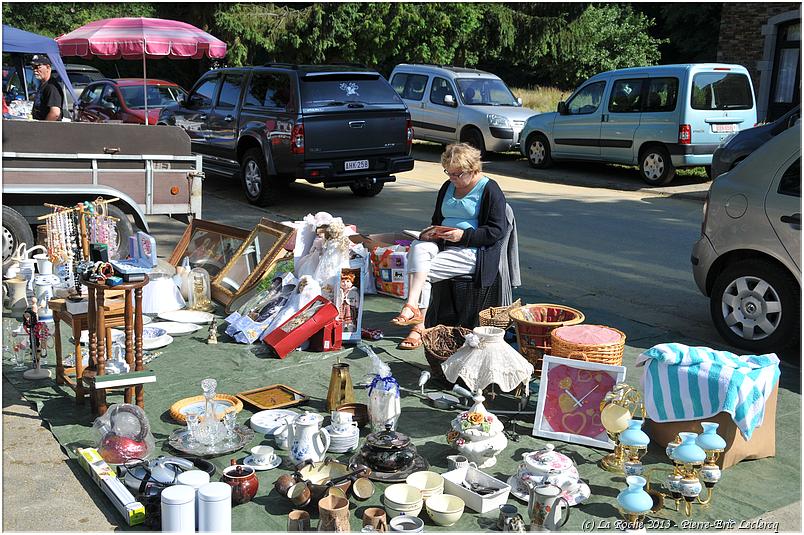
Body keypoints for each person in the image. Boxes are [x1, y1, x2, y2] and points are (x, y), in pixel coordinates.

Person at [392, 142, 507, 349]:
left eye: (457, 174)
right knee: (418, 247)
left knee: (420, 271)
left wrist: (462, 236)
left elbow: (497, 231)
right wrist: (431, 233)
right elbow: (438, 217)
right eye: (449, 173)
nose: (452, 178)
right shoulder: (448, 187)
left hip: (472, 252)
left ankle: (417, 326)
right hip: (444, 245)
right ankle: (413, 308)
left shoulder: (490, 189)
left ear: (473, 170)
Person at [30, 55, 63, 121]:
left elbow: (55, 113)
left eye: (37, 67)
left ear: (48, 67)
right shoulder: (43, 84)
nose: (34, 70)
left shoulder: (52, 87)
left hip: (50, 129)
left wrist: (44, 128)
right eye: (33, 67)